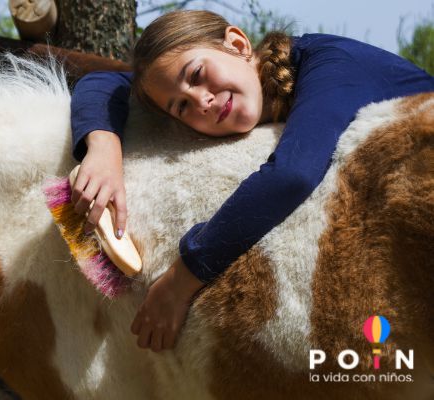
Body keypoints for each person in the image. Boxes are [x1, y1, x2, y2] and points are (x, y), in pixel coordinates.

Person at [69, 10, 434, 353]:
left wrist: (181, 280)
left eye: (196, 75)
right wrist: (103, 147)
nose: (202, 101)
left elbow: (292, 175)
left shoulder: (331, 67)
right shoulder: (266, 86)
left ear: (239, 45)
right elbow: (106, 80)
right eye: (181, 107)